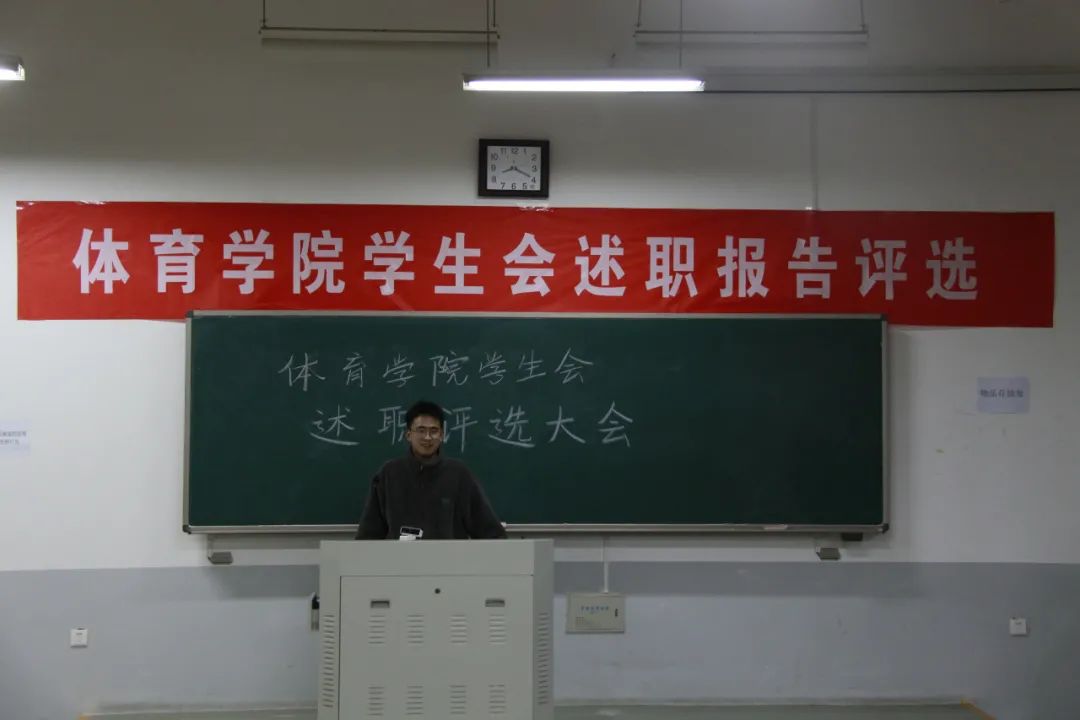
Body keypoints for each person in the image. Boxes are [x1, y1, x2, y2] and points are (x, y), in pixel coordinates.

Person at [356, 399, 508, 540]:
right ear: (408, 435)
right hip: (399, 559)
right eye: (421, 430)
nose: (427, 437)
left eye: (433, 431)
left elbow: (492, 533)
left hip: (450, 559)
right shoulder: (388, 475)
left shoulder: (459, 474)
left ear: (441, 435)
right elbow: (368, 537)